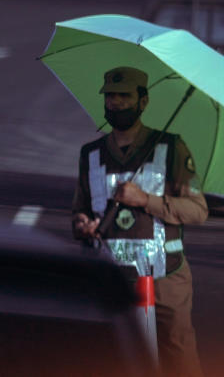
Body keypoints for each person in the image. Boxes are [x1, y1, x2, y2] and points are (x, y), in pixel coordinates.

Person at [72, 66, 207, 377]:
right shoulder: (90, 154)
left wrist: (146, 200)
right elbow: (78, 211)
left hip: (164, 279)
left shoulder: (172, 148)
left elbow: (198, 210)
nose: (116, 103)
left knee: (178, 356)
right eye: (110, 97)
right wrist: (81, 225)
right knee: (104, 358)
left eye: (124, 96)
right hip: (109, 278)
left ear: (143, 101)